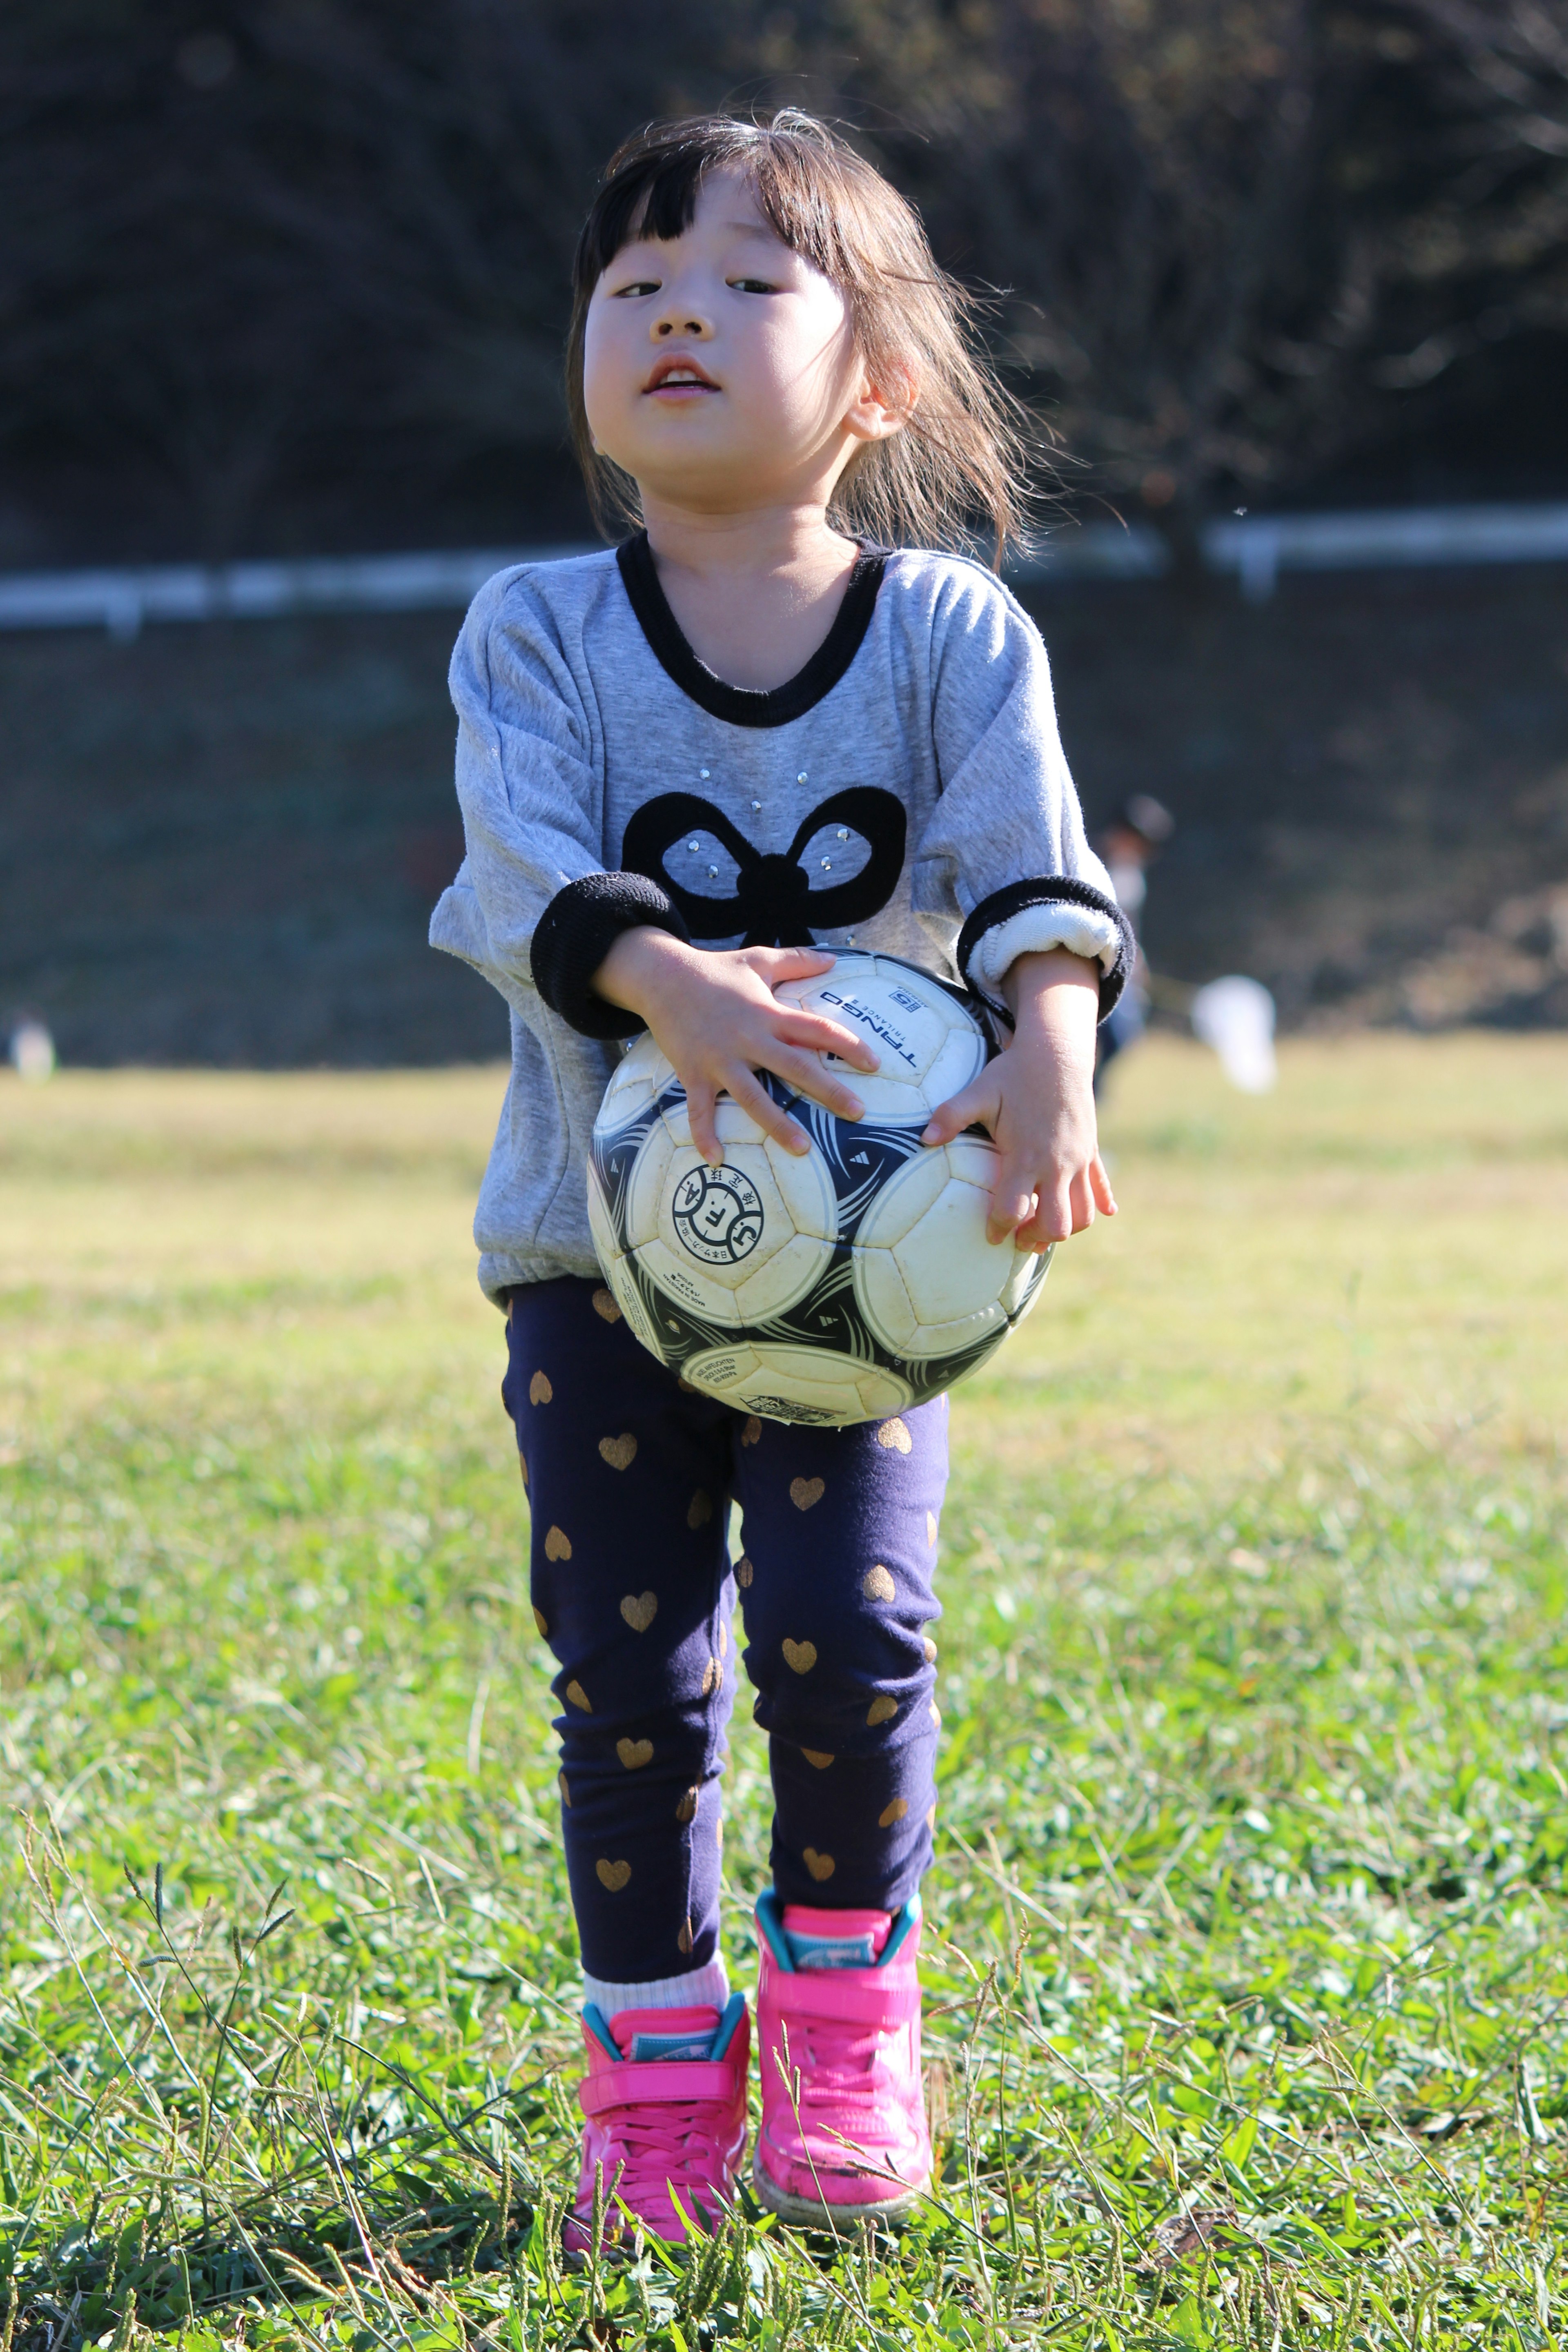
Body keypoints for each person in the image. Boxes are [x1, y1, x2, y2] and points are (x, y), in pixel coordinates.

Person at [430, 111, 1134, 2247]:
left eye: (745, 284)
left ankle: (846, 2024)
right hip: (594, 1262)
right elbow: (517, 868)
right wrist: (667, 981)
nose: (675, 316)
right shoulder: (537, 630)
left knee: (855, 1632)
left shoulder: (952, 638)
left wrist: (1055, 1064)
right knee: (624, 1664)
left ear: (882, 380)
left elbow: (1038, 887)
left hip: (880, 1278)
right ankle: (653, 2065)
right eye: (634, 285)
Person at [1092, 794, 1174, 1093]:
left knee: (1125, 1035)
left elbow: (1129, 920)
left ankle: (1093, 1104)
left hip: (1119, 970)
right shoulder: (1088, 861)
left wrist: (1137, 959)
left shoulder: (1131, 871)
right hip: (1092, 966)